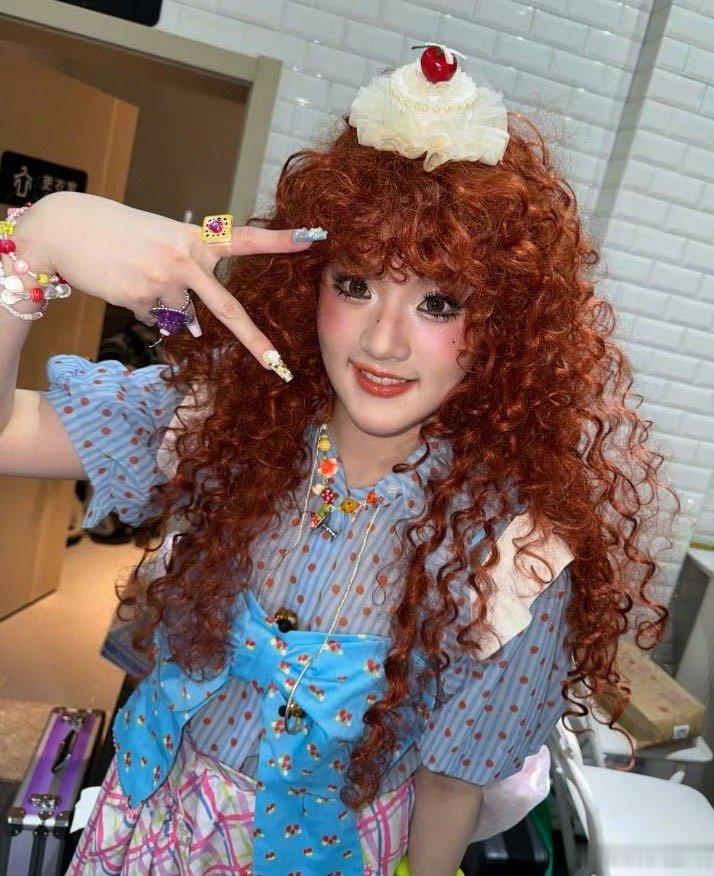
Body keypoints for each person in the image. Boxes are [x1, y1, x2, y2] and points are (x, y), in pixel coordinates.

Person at [0, 44, 678, 876]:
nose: (383, 342)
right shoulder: (225, 425)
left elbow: (450, 785)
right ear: (307, 285)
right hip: (146, 834)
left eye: (438, 302)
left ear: (504, 324)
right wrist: (34, 242)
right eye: (355, 284)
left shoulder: (515, 554)